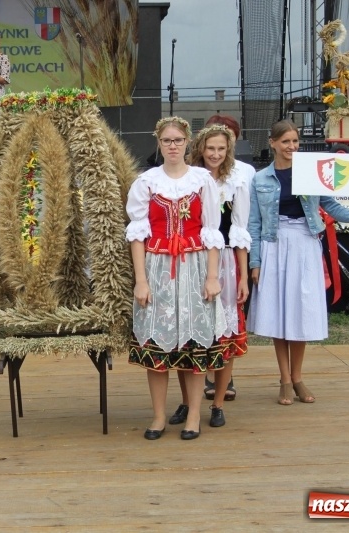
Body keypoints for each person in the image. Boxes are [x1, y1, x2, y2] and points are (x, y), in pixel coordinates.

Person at [247, 119, 349, 405]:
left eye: (295, 141)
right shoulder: (260, 180)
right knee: (278, 313)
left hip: (305, 243)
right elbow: (254, 224)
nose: (292, 147)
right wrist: (255, 263)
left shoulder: (310, 173)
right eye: (285, 142)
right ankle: (284, 379)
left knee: (301, 310)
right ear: (272, 143)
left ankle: (298, 377)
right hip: (274, 244)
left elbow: (330, 205)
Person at [126, 116, 226, 441]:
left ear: (187, 142)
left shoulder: (202, 180)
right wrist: (140, 280)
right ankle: (157, 416)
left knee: (194, 343)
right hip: (158, 268)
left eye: (178, 140)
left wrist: (213, 277)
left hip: (194, 267)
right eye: (167, 140)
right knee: (157, 345)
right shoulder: (146, 182)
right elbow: (138, 235)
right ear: (159, 142)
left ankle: (194, 414)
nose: (173, 146)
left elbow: (211, 231)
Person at [200, 115, 254, 403]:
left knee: (225, 321)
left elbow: (239, 231)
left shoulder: (237, 181)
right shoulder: (191, 177)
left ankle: (221, 384)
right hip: (195, 258)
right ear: (201, 148)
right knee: (200, 319)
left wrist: (244, 276)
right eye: (211, 148)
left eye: (221, 149)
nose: (216, 154)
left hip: (225, 260)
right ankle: (199, 384)